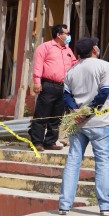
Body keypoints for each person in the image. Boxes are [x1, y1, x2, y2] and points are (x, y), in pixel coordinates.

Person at [58, 36, 109, 216]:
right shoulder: (104, 65)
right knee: (103, 161)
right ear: (94, 49)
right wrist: (87, 112)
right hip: (99, 122)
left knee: (73, 161)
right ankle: (105, 205)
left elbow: (66, 96)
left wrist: (76, 112)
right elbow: (104, 94)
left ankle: (64, 204)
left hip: (77, 124)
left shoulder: (72, 70)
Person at [29, 23, 77, 152]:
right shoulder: (44, 47)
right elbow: (38, 65)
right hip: (48, 85)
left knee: (56, 116)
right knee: (42, 115)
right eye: (66, 33)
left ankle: (50, 142)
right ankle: (37, 142)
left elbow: (74, 63)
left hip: (63, 87)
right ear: (58, 35)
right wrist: (37, 82)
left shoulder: (67, 50)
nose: (68, 36)